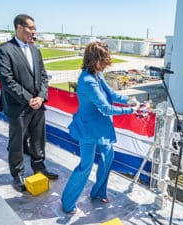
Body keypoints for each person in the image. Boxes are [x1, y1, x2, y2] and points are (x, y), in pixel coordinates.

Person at [61, 41, 138, 214]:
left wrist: (127, 99)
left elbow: (111, 94)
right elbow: (105, 108)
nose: (105, 65)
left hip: (101, 127)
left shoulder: (97, 75)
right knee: (85, 166)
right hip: (88, 129)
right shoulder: (87, 80)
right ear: (93, 59)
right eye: (103, 61)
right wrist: (130, 110)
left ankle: (98, 192)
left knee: (108, 157)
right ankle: (67, 202)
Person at [0, 14, 58, 192]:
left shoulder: (35, 50)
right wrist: (28, 99)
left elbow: (44, 76)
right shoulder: (3, 50)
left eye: (34, 28)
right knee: (17, 142)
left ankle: (39, 167)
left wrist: (41, 96)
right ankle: (18, 174)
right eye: (30, 28)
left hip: (38, 105)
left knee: (38, 139)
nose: (33, 32)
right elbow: (6, 80)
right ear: (19, 28)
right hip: (18, 107)